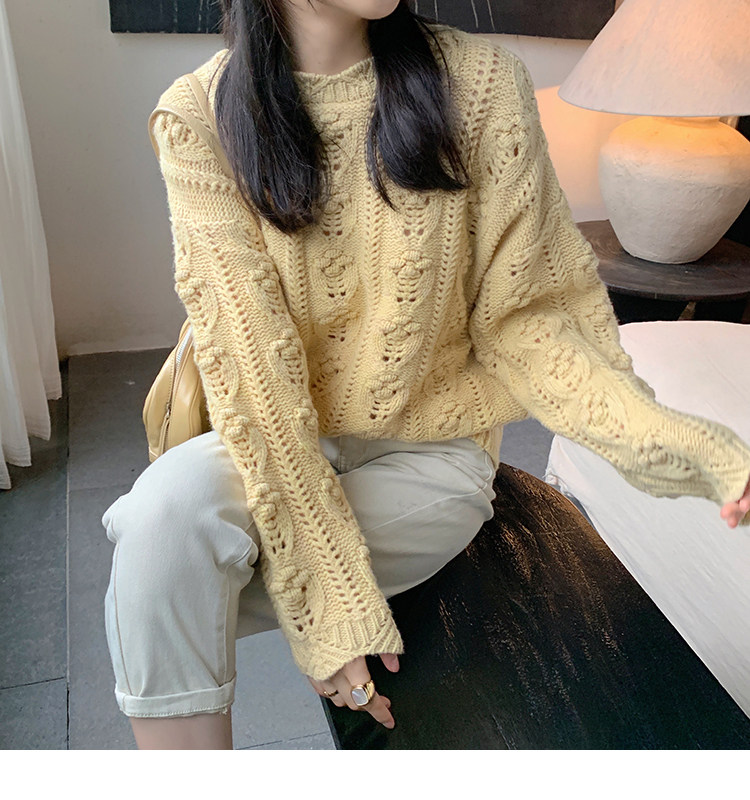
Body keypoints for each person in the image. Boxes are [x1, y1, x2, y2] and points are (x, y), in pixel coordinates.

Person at [101, 0, 750, 750]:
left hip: (431, 460)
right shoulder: (198, 117)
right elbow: (256, 376)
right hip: (277, 444)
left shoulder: (481, 84)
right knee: (158, 525)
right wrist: (327, 596)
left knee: (154, 581)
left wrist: (675, 441)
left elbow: (528, 319)